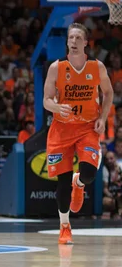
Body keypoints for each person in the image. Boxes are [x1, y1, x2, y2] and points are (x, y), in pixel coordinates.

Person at [43, 23, 112, 245]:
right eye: (70, 38)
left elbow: (108, 93)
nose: (72, 41)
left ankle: (80, 184)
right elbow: (46, 100)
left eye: (77, 38)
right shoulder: (56, 67)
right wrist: (56, 107)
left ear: (85, 43)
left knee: (90, 174)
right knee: (62, 185)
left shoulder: (97, 67)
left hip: (87, 128)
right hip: (61, 129)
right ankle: (65, 226)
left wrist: (103, 118)